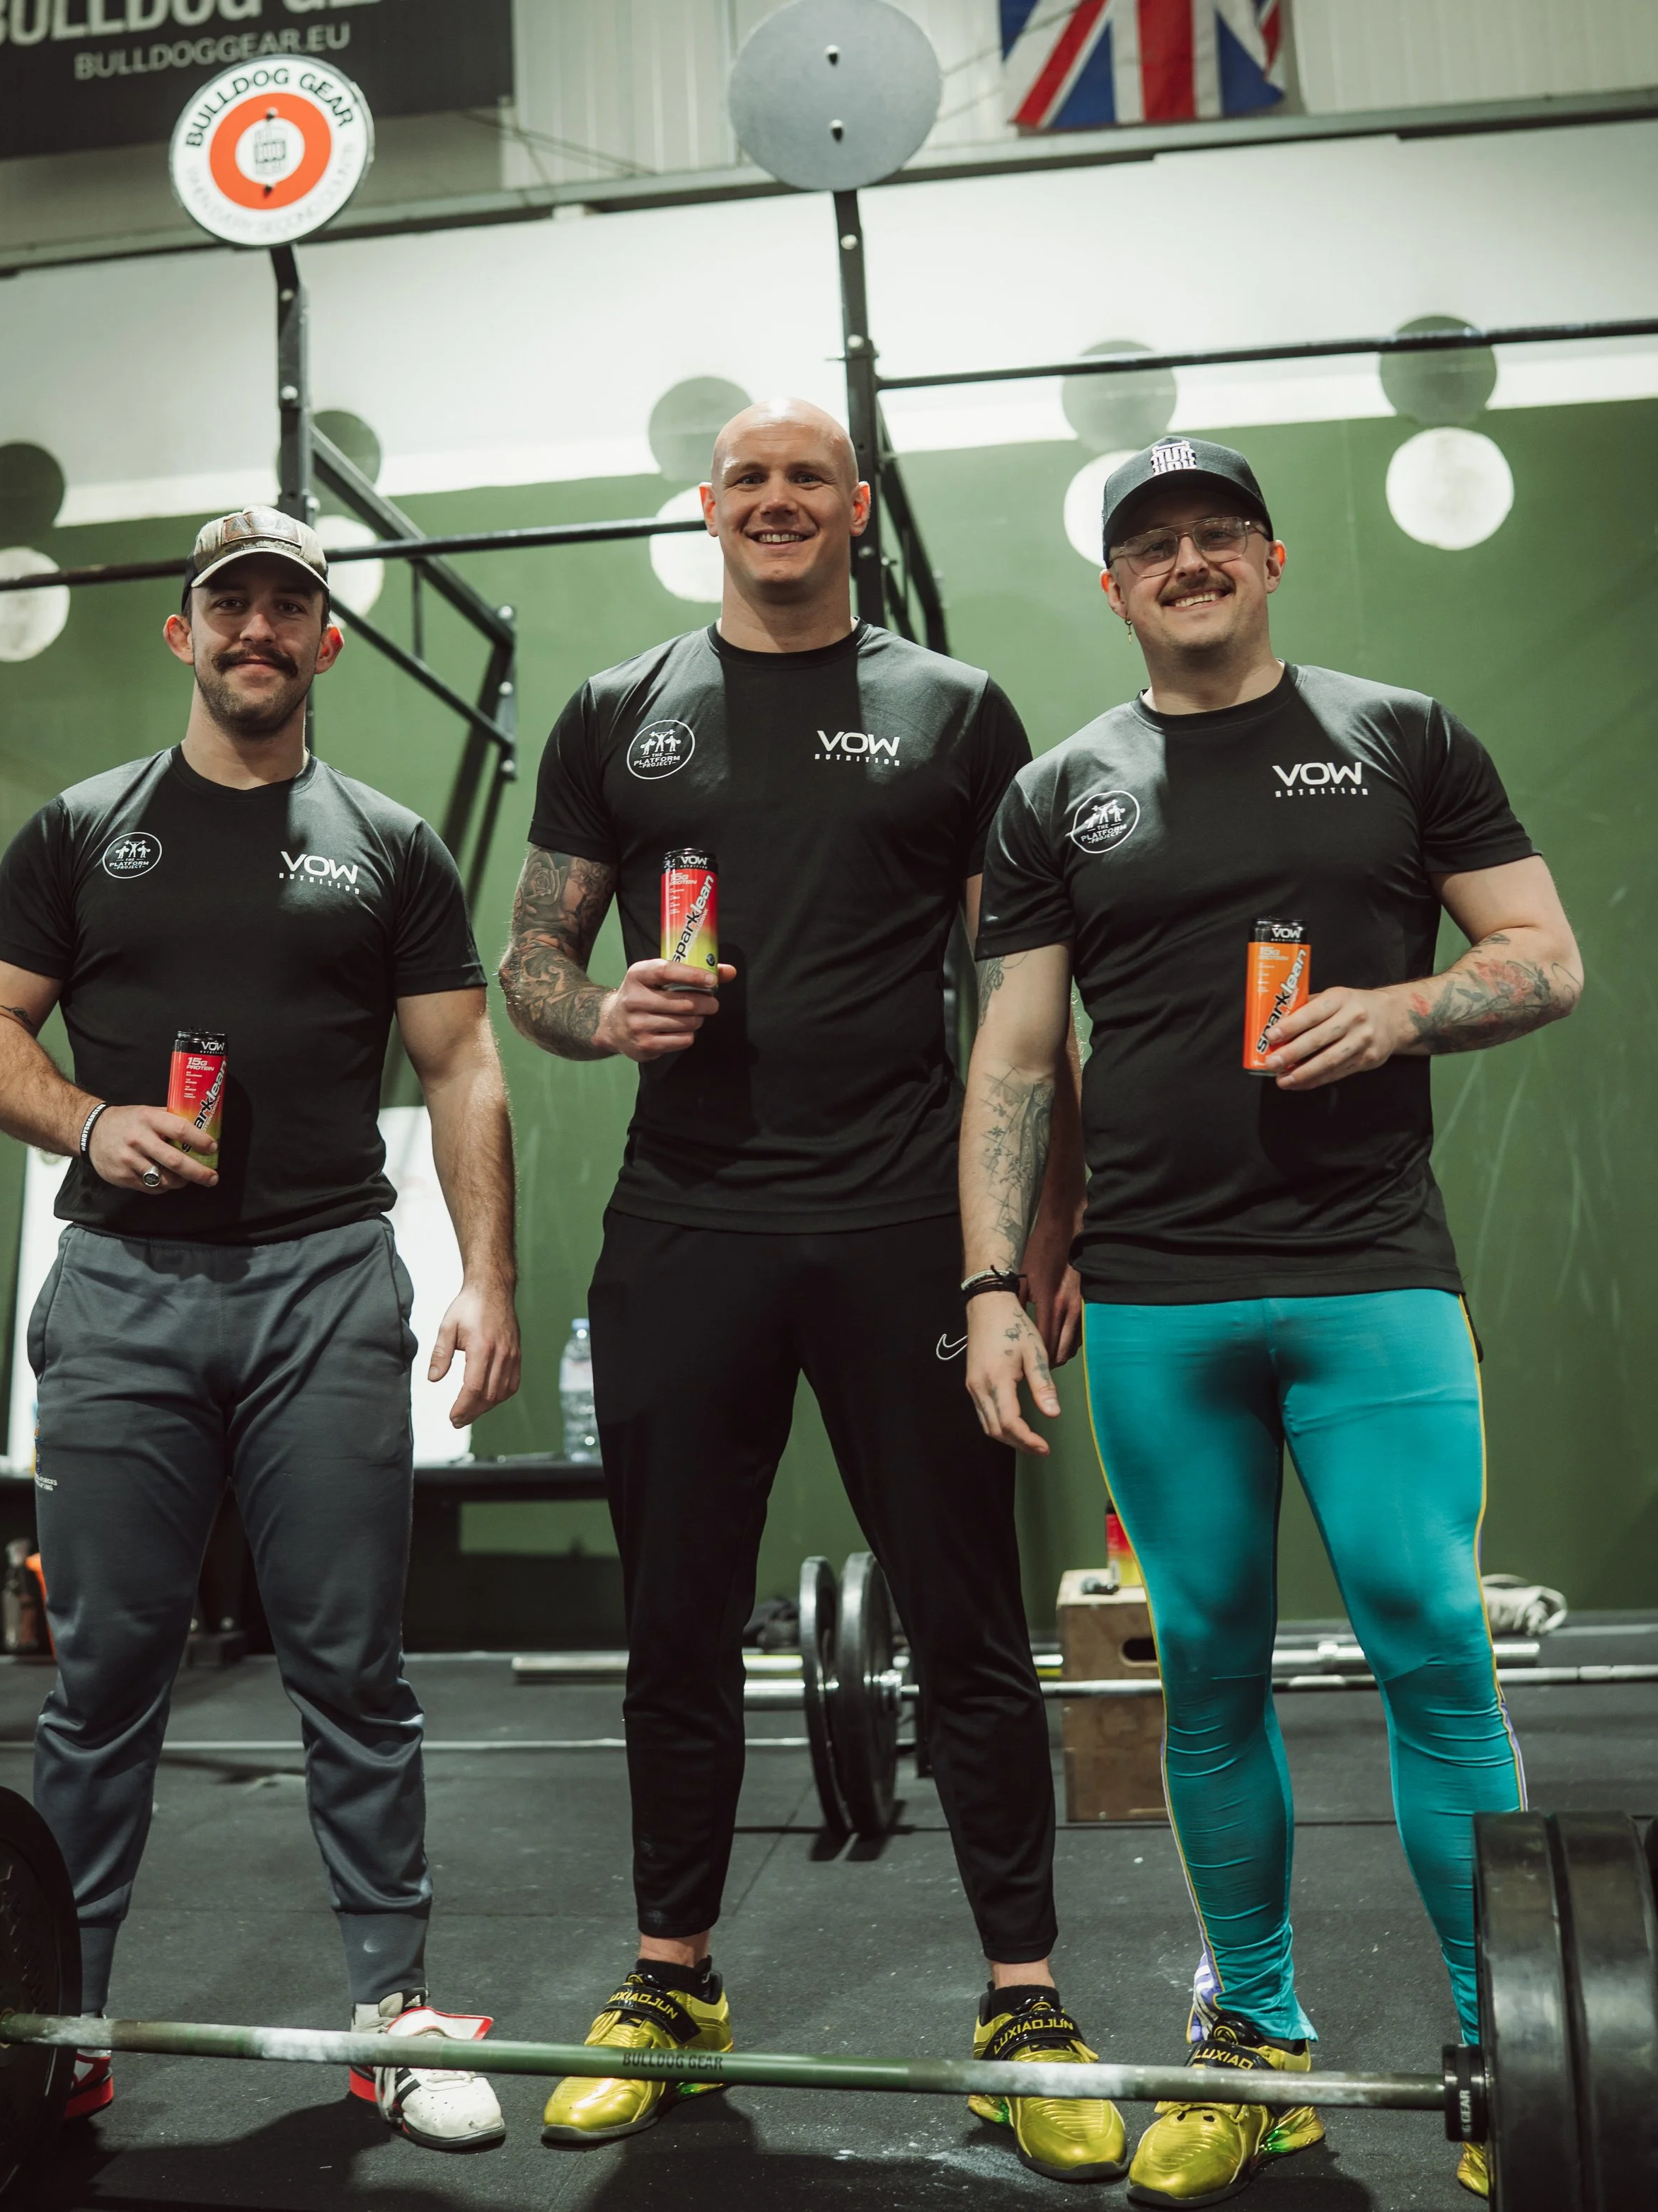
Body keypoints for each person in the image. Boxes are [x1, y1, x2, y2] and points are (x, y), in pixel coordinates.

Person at [497, 399, 1126, 2179]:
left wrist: (1037, 1239)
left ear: (855, 508)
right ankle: (670, 1980)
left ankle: (1022, 1997)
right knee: (675, 1622)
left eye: (807, 479)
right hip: (682, 1224)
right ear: (706, 508)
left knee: (967, 1627)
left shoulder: (954, 708)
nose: (776, 502)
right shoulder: (616, 709)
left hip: (899, 1225)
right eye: (744, 479)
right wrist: (601, 1012)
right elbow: (532, 956)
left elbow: (1025, 1007)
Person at [959, 436, 1582, 2206]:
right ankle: (1254, 2040)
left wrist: (1399, 1010)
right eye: (1149, 544)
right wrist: (995, 1277)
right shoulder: (1057, 791)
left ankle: (1500, 2037)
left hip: (1370, 1269)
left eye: (1214, 532)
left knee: (1428, 1641)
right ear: (1111, 586)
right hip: (1158, 1293)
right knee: (1206, 1664)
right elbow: (1013, 1057)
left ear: (1270, 555)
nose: (1185, 560)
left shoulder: (1402, 734)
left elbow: (1543, 954)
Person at [0, 507, 522, 2154]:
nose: (257, 630)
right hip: (124, 1290)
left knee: (354, 1667)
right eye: (230, 605)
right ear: (180, 634)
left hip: (328, 1284)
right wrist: (84, 1122)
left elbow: (463, 1063)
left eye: (289, 607)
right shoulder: (80, 831)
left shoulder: (391, 844)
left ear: (326, 640)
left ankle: (394, 2009)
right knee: (104, 1675)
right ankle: (62, 2017)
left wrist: (485, 1275)